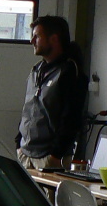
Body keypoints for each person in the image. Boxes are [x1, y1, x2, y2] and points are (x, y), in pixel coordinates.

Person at [16, 15, 86, 173]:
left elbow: (72, 118)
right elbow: (29, 109)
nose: (32, 41)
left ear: (54, 39)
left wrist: (56, 154)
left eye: (37, 36)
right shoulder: (37, 70)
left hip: (49, 158)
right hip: (26, 154)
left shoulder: (69, 72)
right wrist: (18, 142)